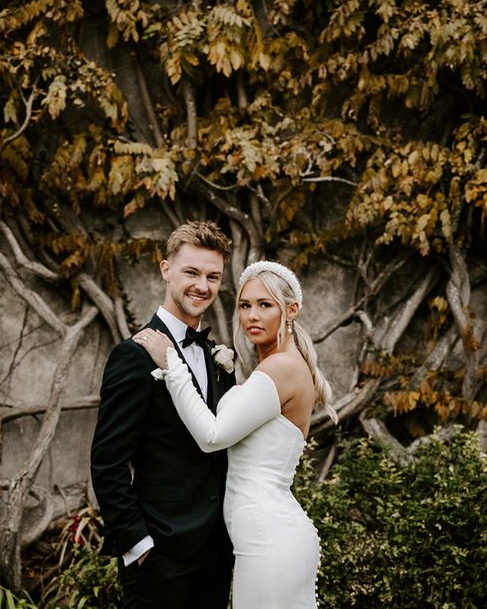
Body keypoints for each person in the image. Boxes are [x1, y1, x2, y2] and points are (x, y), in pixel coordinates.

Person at [133, 260, 338, 609]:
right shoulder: (273, 365)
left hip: (267, 537)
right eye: (245, 305)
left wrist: (172, 365)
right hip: (262, 535)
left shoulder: (282, 367)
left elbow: (212, 436)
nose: (252, 316)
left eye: (265, 305)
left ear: (291, 311)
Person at [90, 220, 235, 609]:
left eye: (213, 276)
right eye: (191, 272)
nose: (202, 286)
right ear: (166, 269)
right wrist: (139, 546)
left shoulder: (217, 356)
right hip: (159, 558)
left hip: (216, 555)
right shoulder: (133, 356)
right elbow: (107, 461)